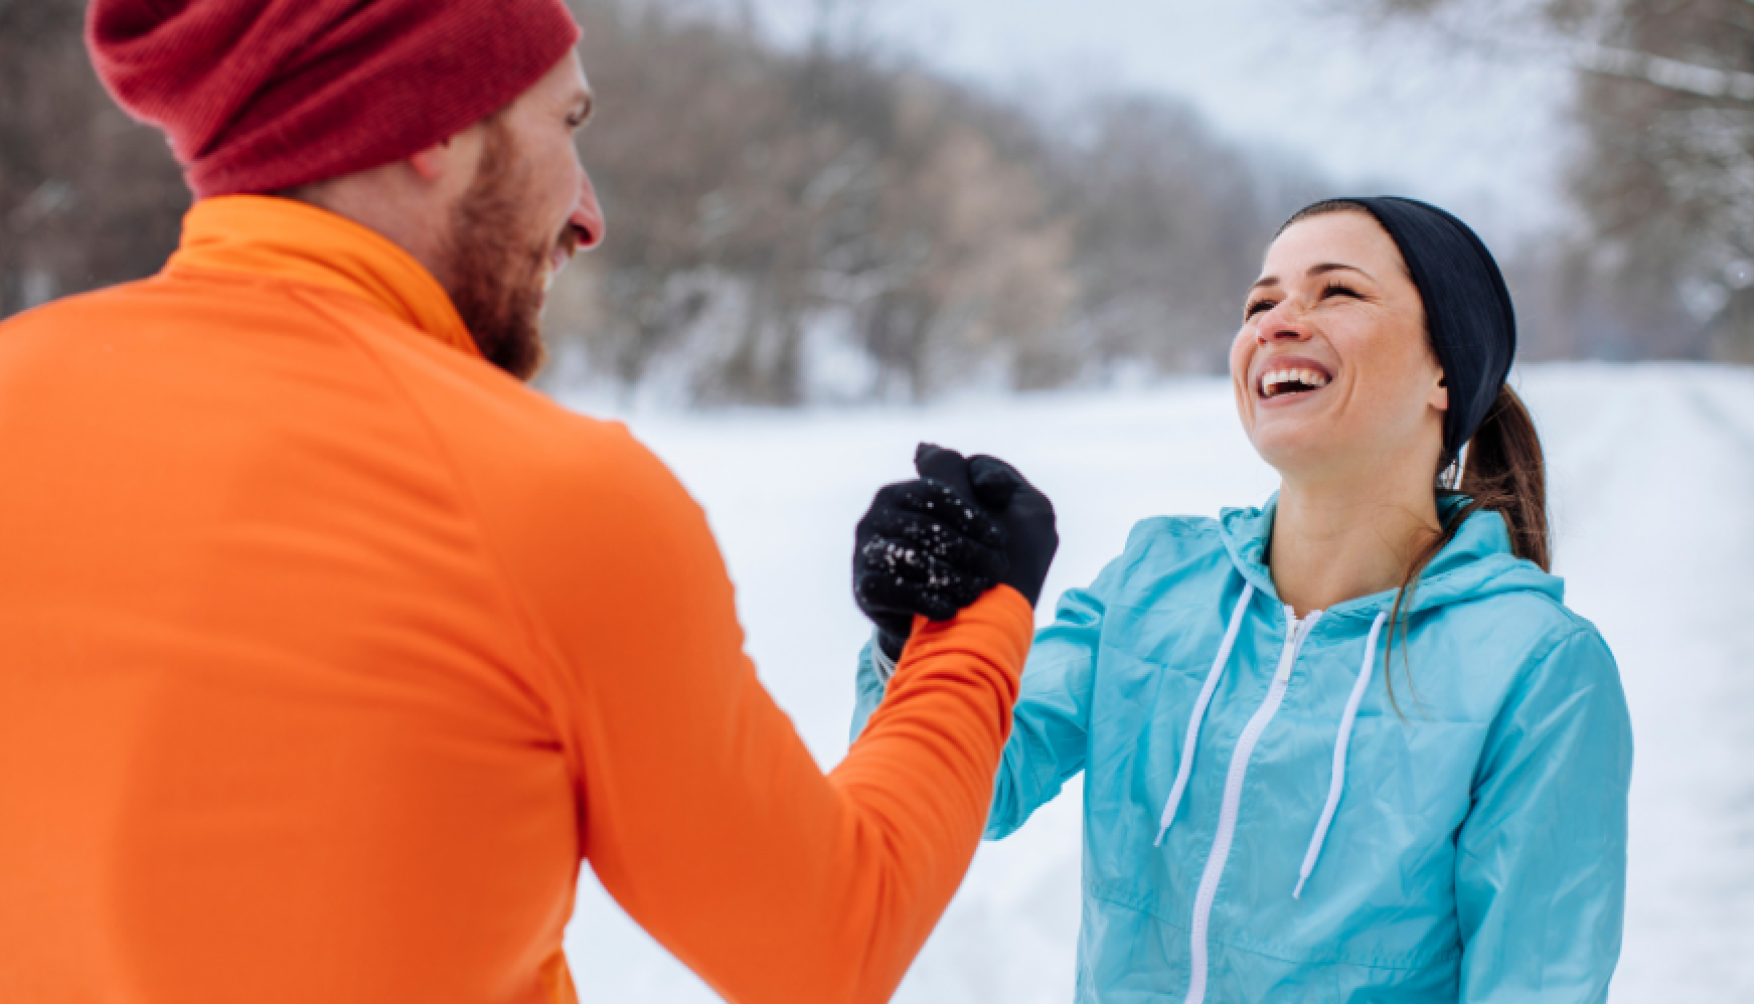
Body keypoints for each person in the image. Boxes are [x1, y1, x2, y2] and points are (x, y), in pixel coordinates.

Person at [0, 1, 1057, 1001]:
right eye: (567, 121)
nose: (588, 216)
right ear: (437, 124)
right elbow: (833, 936)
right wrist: (978, 619)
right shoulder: (544, 496)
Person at [850, 198, 1634, 1002]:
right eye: (1260, 302)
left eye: (1337, 292)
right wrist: (917, 636)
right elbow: (974, 785)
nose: (1277, 323)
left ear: (1445, 369)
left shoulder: (1536, 669)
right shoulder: (1153, 585)